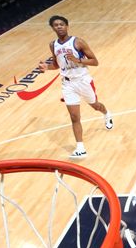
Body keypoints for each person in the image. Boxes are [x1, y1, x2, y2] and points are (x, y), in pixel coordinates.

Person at [38, 15, 113, 159]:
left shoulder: (78, 42)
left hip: (83, 80)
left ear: (67, 26)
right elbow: (56, 64)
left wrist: (78, 60)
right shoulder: (53, 45)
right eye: (56, 25)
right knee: (74, 117)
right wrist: (46, 67)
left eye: (61, 24)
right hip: (67, 83)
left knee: (95, 105)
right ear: (52, 28)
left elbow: (95, 62)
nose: (59, 26)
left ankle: (107, 113)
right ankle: (80, 148)